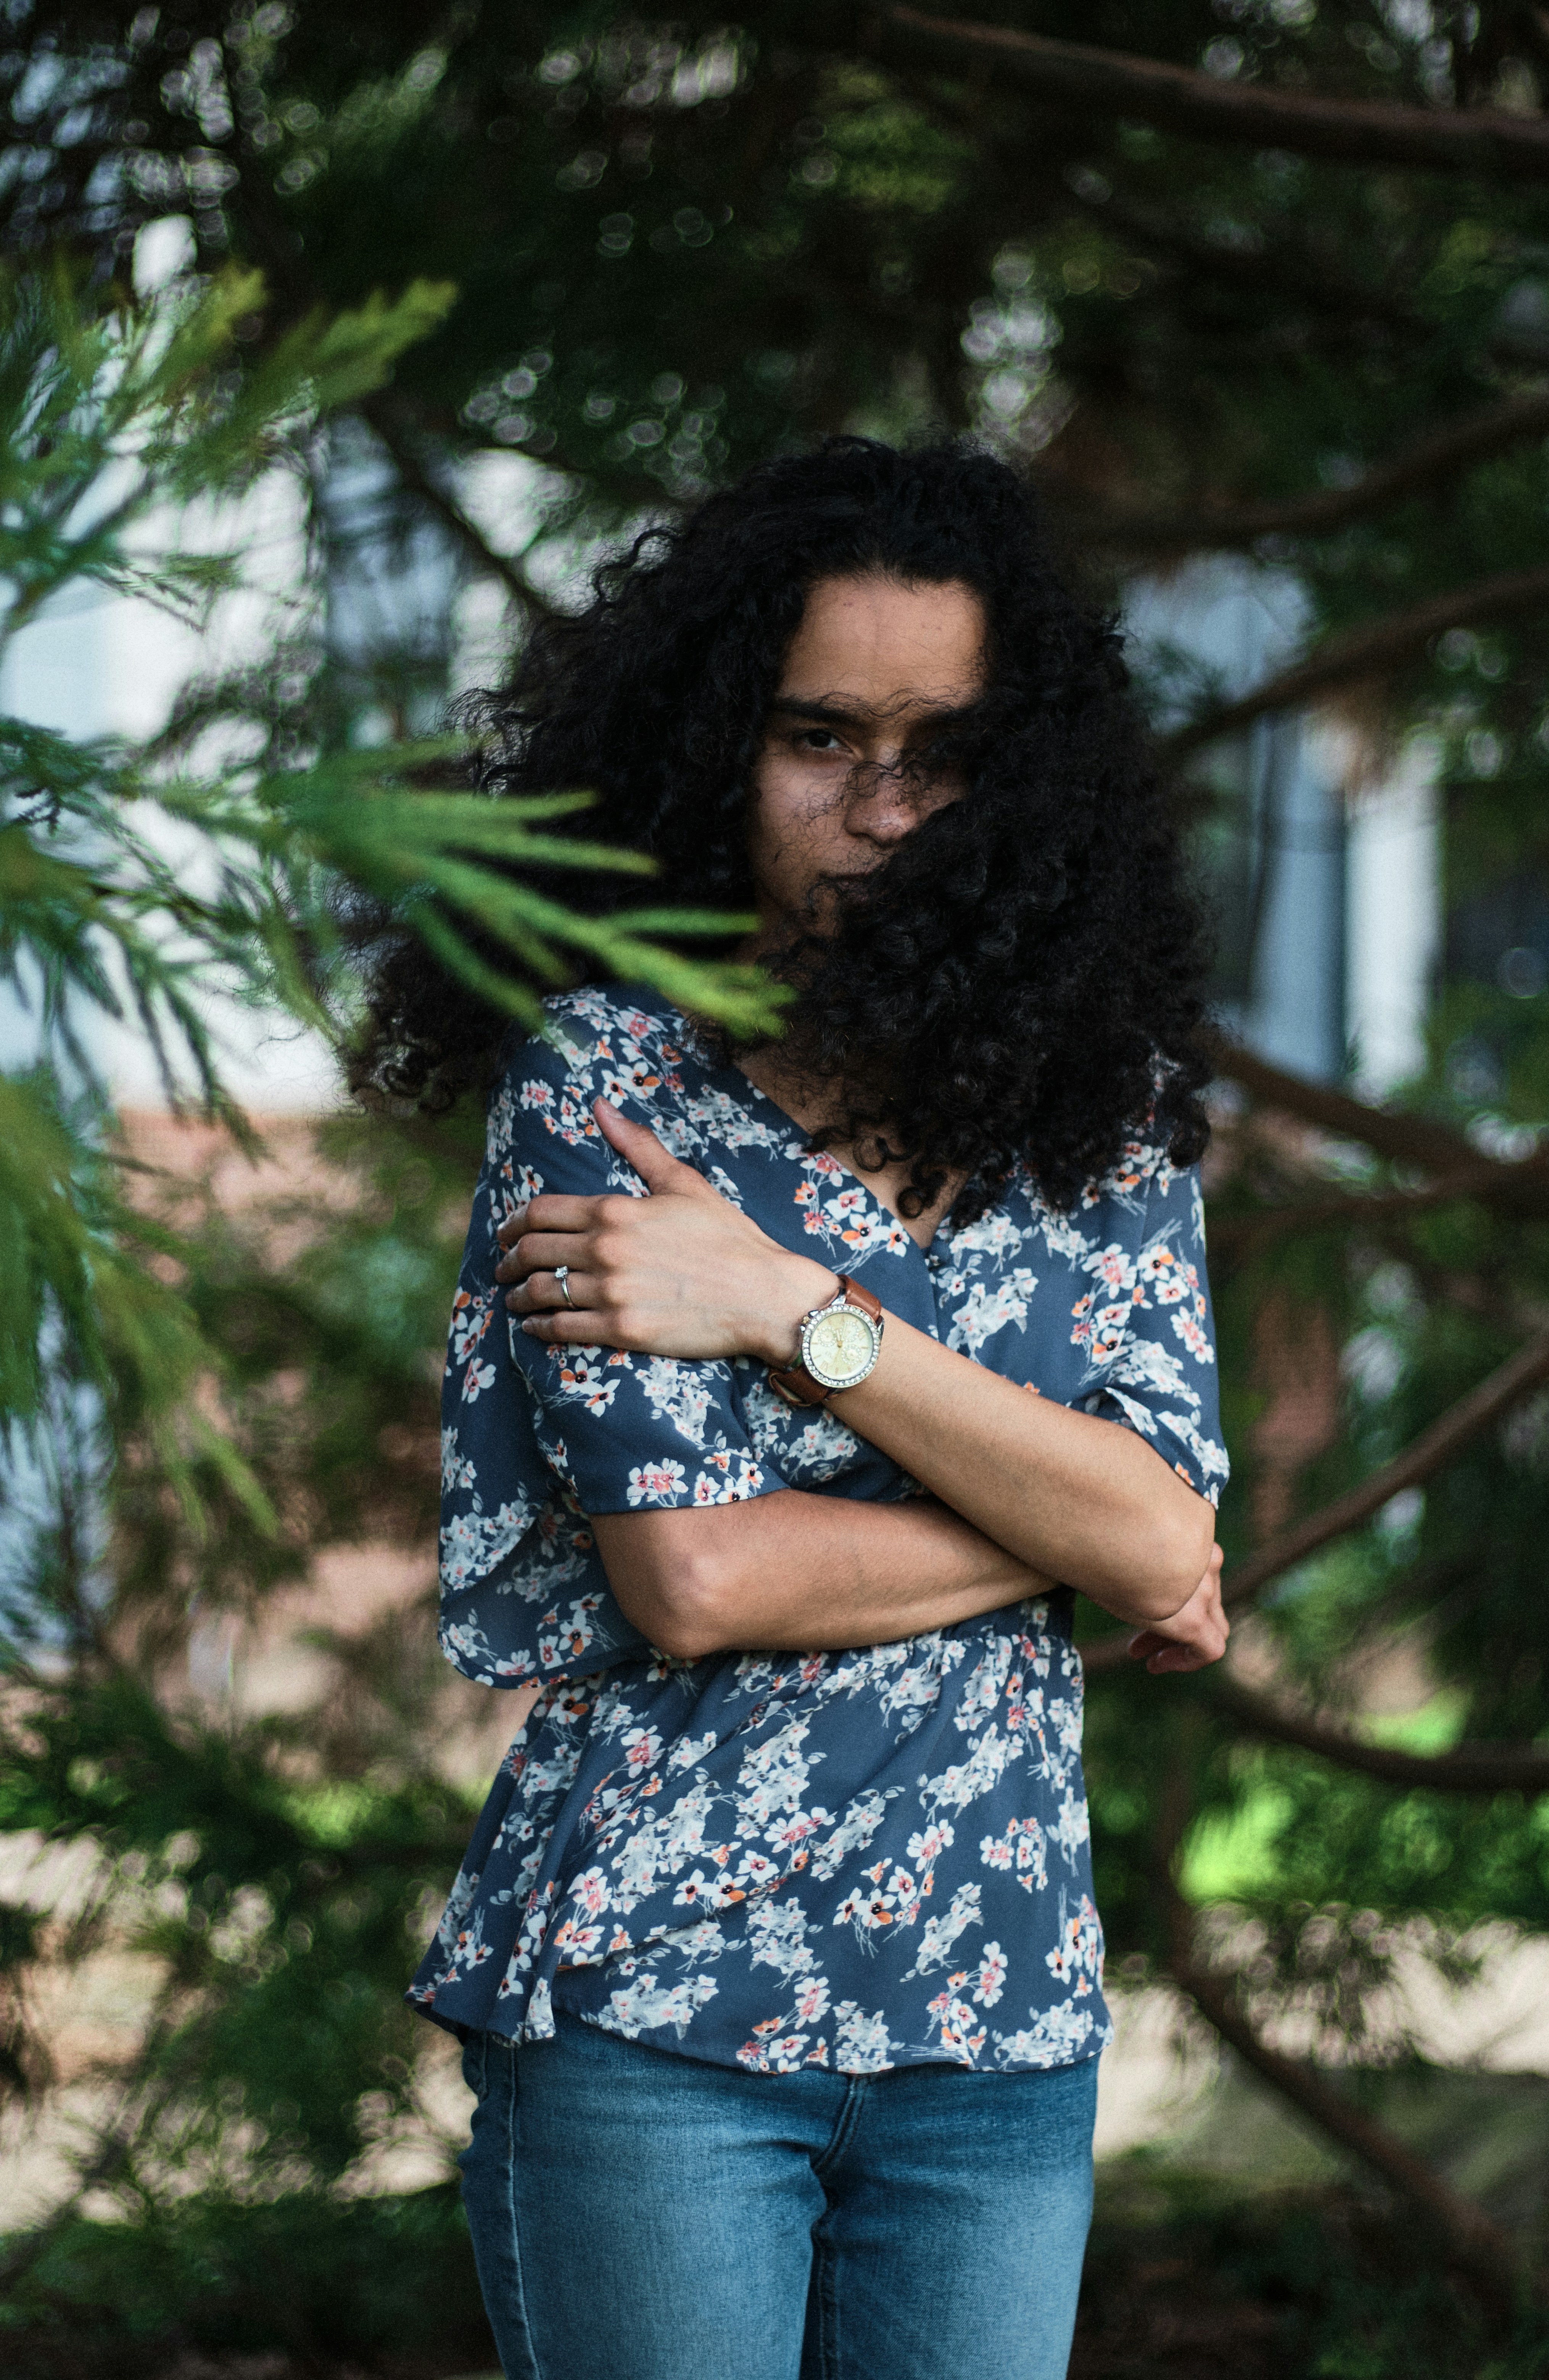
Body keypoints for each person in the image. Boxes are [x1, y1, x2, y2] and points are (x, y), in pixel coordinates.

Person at [356, 438, 1229, 2380]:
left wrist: (782, 1309)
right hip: (660, 2018)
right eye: (817, 738)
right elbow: (693, 1581)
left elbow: (1170, 1534)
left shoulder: (1109, 1116)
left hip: (993, 2027)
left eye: (941, 751)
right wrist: (1074, 1528)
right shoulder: (605, 1090)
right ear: (706, 748)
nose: (881, 808)